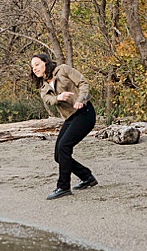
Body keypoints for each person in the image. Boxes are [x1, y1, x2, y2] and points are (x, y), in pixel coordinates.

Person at [31, 53, 98, 200]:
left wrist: (81, 99)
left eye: (37, 64)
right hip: (71, 118)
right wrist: (58, 98)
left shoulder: (63, 70)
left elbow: (83, 83)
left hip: (84, 112)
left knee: (64, 147)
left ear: (45, 62)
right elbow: (49, 100)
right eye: (32, 67)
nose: (34, 68)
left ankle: (63, 186)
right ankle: (87, 177)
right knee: (58, 155)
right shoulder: (43, 88)